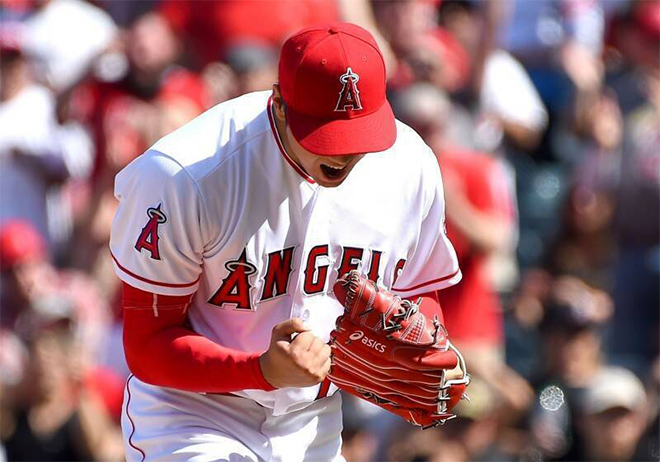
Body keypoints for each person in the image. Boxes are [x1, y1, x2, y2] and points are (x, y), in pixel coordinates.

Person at [110, 22, 462, 461]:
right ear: (277, 104)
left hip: (314, 421)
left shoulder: (409, 167)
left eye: (360, 133)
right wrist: (260, 371)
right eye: (326, 133)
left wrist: (413, 334)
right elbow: (147, 345)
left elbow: (419, 294)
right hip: (193, 411)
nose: (344, 153)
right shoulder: (185, 174)